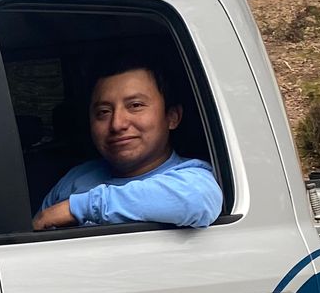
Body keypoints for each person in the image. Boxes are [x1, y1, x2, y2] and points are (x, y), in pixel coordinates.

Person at [32, 57, 223, 230]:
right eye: (104, 112)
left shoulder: (191, 179)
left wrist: (77, 208)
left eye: (135, 106)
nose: (117, 124)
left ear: (172, 117)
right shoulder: (76, 179)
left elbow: (197, 200)